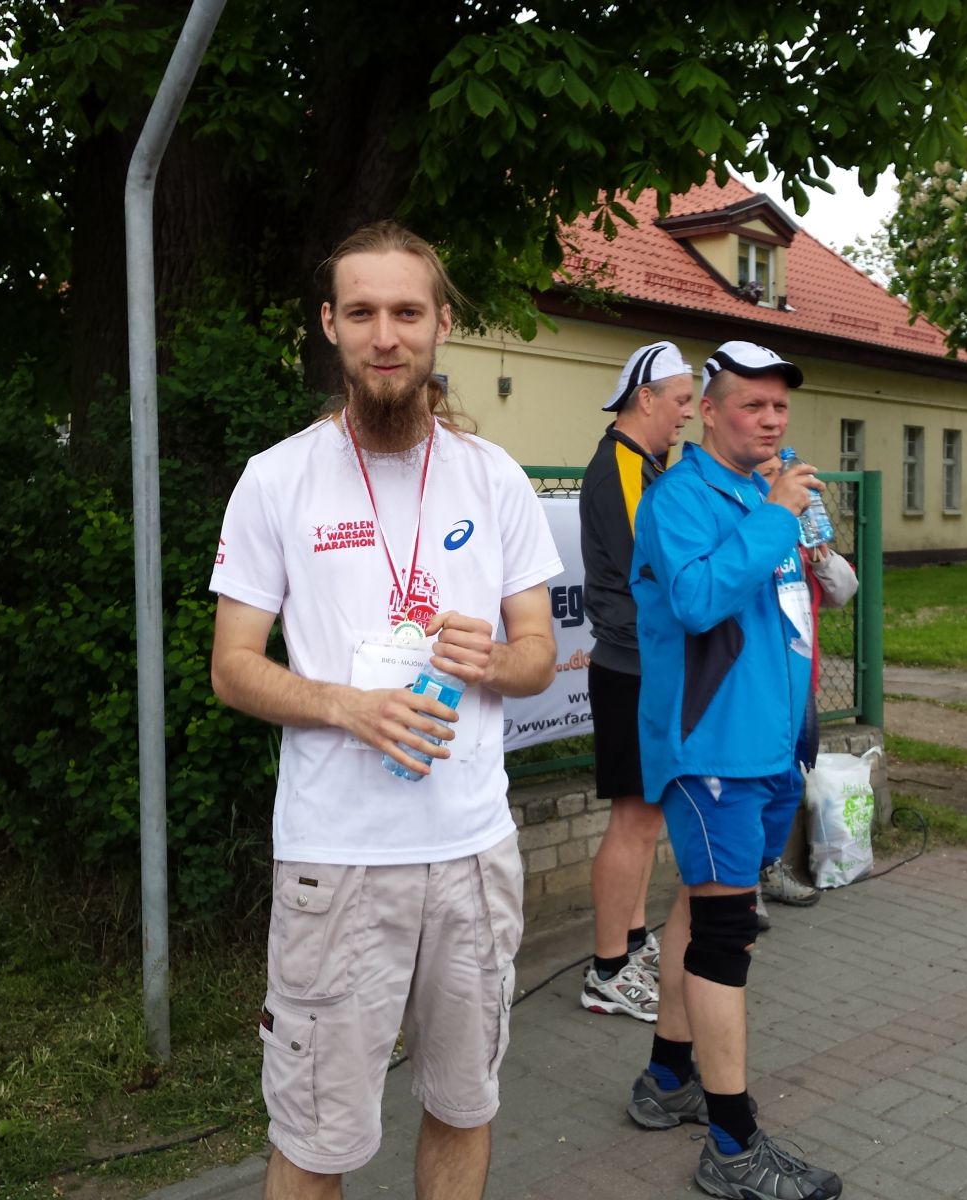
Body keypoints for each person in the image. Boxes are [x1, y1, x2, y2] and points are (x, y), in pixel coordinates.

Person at [209, 220, 562, 1200]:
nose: (385, 334)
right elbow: (232, 667)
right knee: (315, 1141)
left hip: (471, 855)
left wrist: (495, 660)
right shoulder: (277, 479)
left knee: (464, 1106)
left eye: (407, 311)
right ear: (330, 325)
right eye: (361, 312)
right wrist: (346, 707)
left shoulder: (493, 478)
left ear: (442, 322)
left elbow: (539, 654)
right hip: (337, 861)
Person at [624, 341, 843, 1200]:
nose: (772, 420)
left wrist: (799, 531)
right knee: (726, 929)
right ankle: (732, 1145)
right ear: (709, 412)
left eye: (780, 407)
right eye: (753, 405)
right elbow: (696, 600)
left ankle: (666, 1079)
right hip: (711, 749)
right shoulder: (681, 497)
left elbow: (788, 610)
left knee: (699, 901)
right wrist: (777, 517)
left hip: (767, 745)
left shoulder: (765, 494)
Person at [578, 340, 695, 1021]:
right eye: (680, 401)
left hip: (643, 664)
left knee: (646, 818)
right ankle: (606, 971)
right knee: (634, 820)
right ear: (644, 399)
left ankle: (630, 940)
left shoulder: (645, 465)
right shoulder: (621, 467)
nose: (688, 413)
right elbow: (650, 573)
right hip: (631, 666)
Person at [752, 454, 859, 912]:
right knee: (752, 783)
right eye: (770, 474)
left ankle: (767, 867)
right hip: (756, 686)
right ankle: (742, 887)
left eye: (783, 472)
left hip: (800, 682)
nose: (782, 482)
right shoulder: (749, 534)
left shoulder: (800, 537)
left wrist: (820, 555)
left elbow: (844, 591)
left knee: (789, 777)